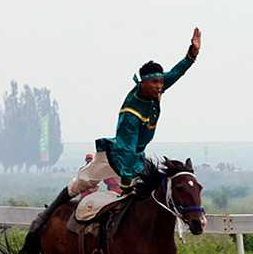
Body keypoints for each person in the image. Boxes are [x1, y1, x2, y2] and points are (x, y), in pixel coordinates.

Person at [28, 27, 201, 236]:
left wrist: (191, 55)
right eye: (155, 82)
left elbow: (174, 74)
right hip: (114, 158)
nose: (159, 86)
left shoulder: (155, 89)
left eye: (160, 82)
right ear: (143, 82)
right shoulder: (131, 113)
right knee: (79, 185)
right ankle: (44, 218)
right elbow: (126, 150)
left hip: (135, 158)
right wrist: (127, 182)